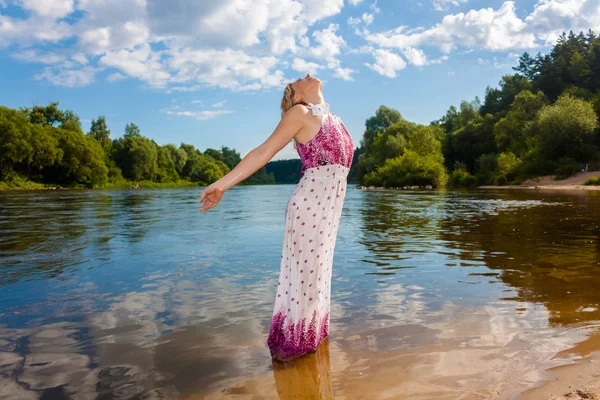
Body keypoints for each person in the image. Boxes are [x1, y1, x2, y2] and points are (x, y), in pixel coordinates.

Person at [198, 73, 354, 362]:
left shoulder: (337, 119)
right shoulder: (300, 113)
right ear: (296, 96)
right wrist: (222, 184)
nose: (306, 75)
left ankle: (311, 351)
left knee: (317, 280)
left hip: (328, 214)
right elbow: (263, 152)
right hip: (308, 209)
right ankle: (295, 356)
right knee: (306, 282)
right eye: (298, 80)